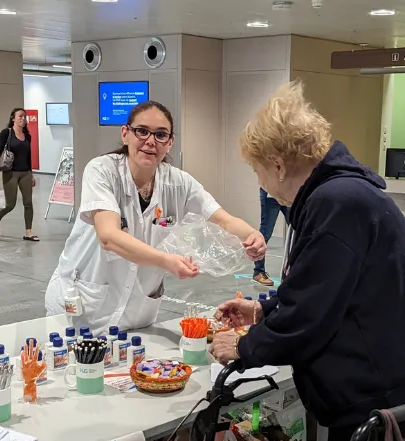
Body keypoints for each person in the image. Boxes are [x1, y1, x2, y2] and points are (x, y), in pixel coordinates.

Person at [209, 81, 405, 441]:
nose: (262, 184)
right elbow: (329, 288)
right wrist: (262, 310)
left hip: (378, 387)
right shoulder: (343, 195)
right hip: (395, 370)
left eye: (258, 172)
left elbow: (309, 314)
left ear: (278, 164)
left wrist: (244, 346)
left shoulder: (336, 203)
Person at [45, 101, 266, 335]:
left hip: (136, 313)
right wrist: (165, 260)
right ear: (125, 133)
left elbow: (224, 220)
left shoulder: (179, 183)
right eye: (142, 131)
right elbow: (108, 236)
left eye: (160, 135)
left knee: (139, 369)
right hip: (83, 309)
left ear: (169, 142)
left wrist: (252, 234)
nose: (151, 141)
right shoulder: (102, 171)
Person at [0, 108, 38, 241]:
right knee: (10, 204)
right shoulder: (7, 133)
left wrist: (31, 174)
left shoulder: (27, 136)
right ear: (13, 118)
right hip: (11, 172)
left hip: (25, 173)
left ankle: (29, 232)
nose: (23, 119)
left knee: (28, 203)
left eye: (25, 117)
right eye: (20, 116)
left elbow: (28, 157)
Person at [252, 187, 288, 286]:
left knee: (297, 230)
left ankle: (295, 271)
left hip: (289, 194)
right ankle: (258, 272)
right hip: (271, 194)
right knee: (265, 232)